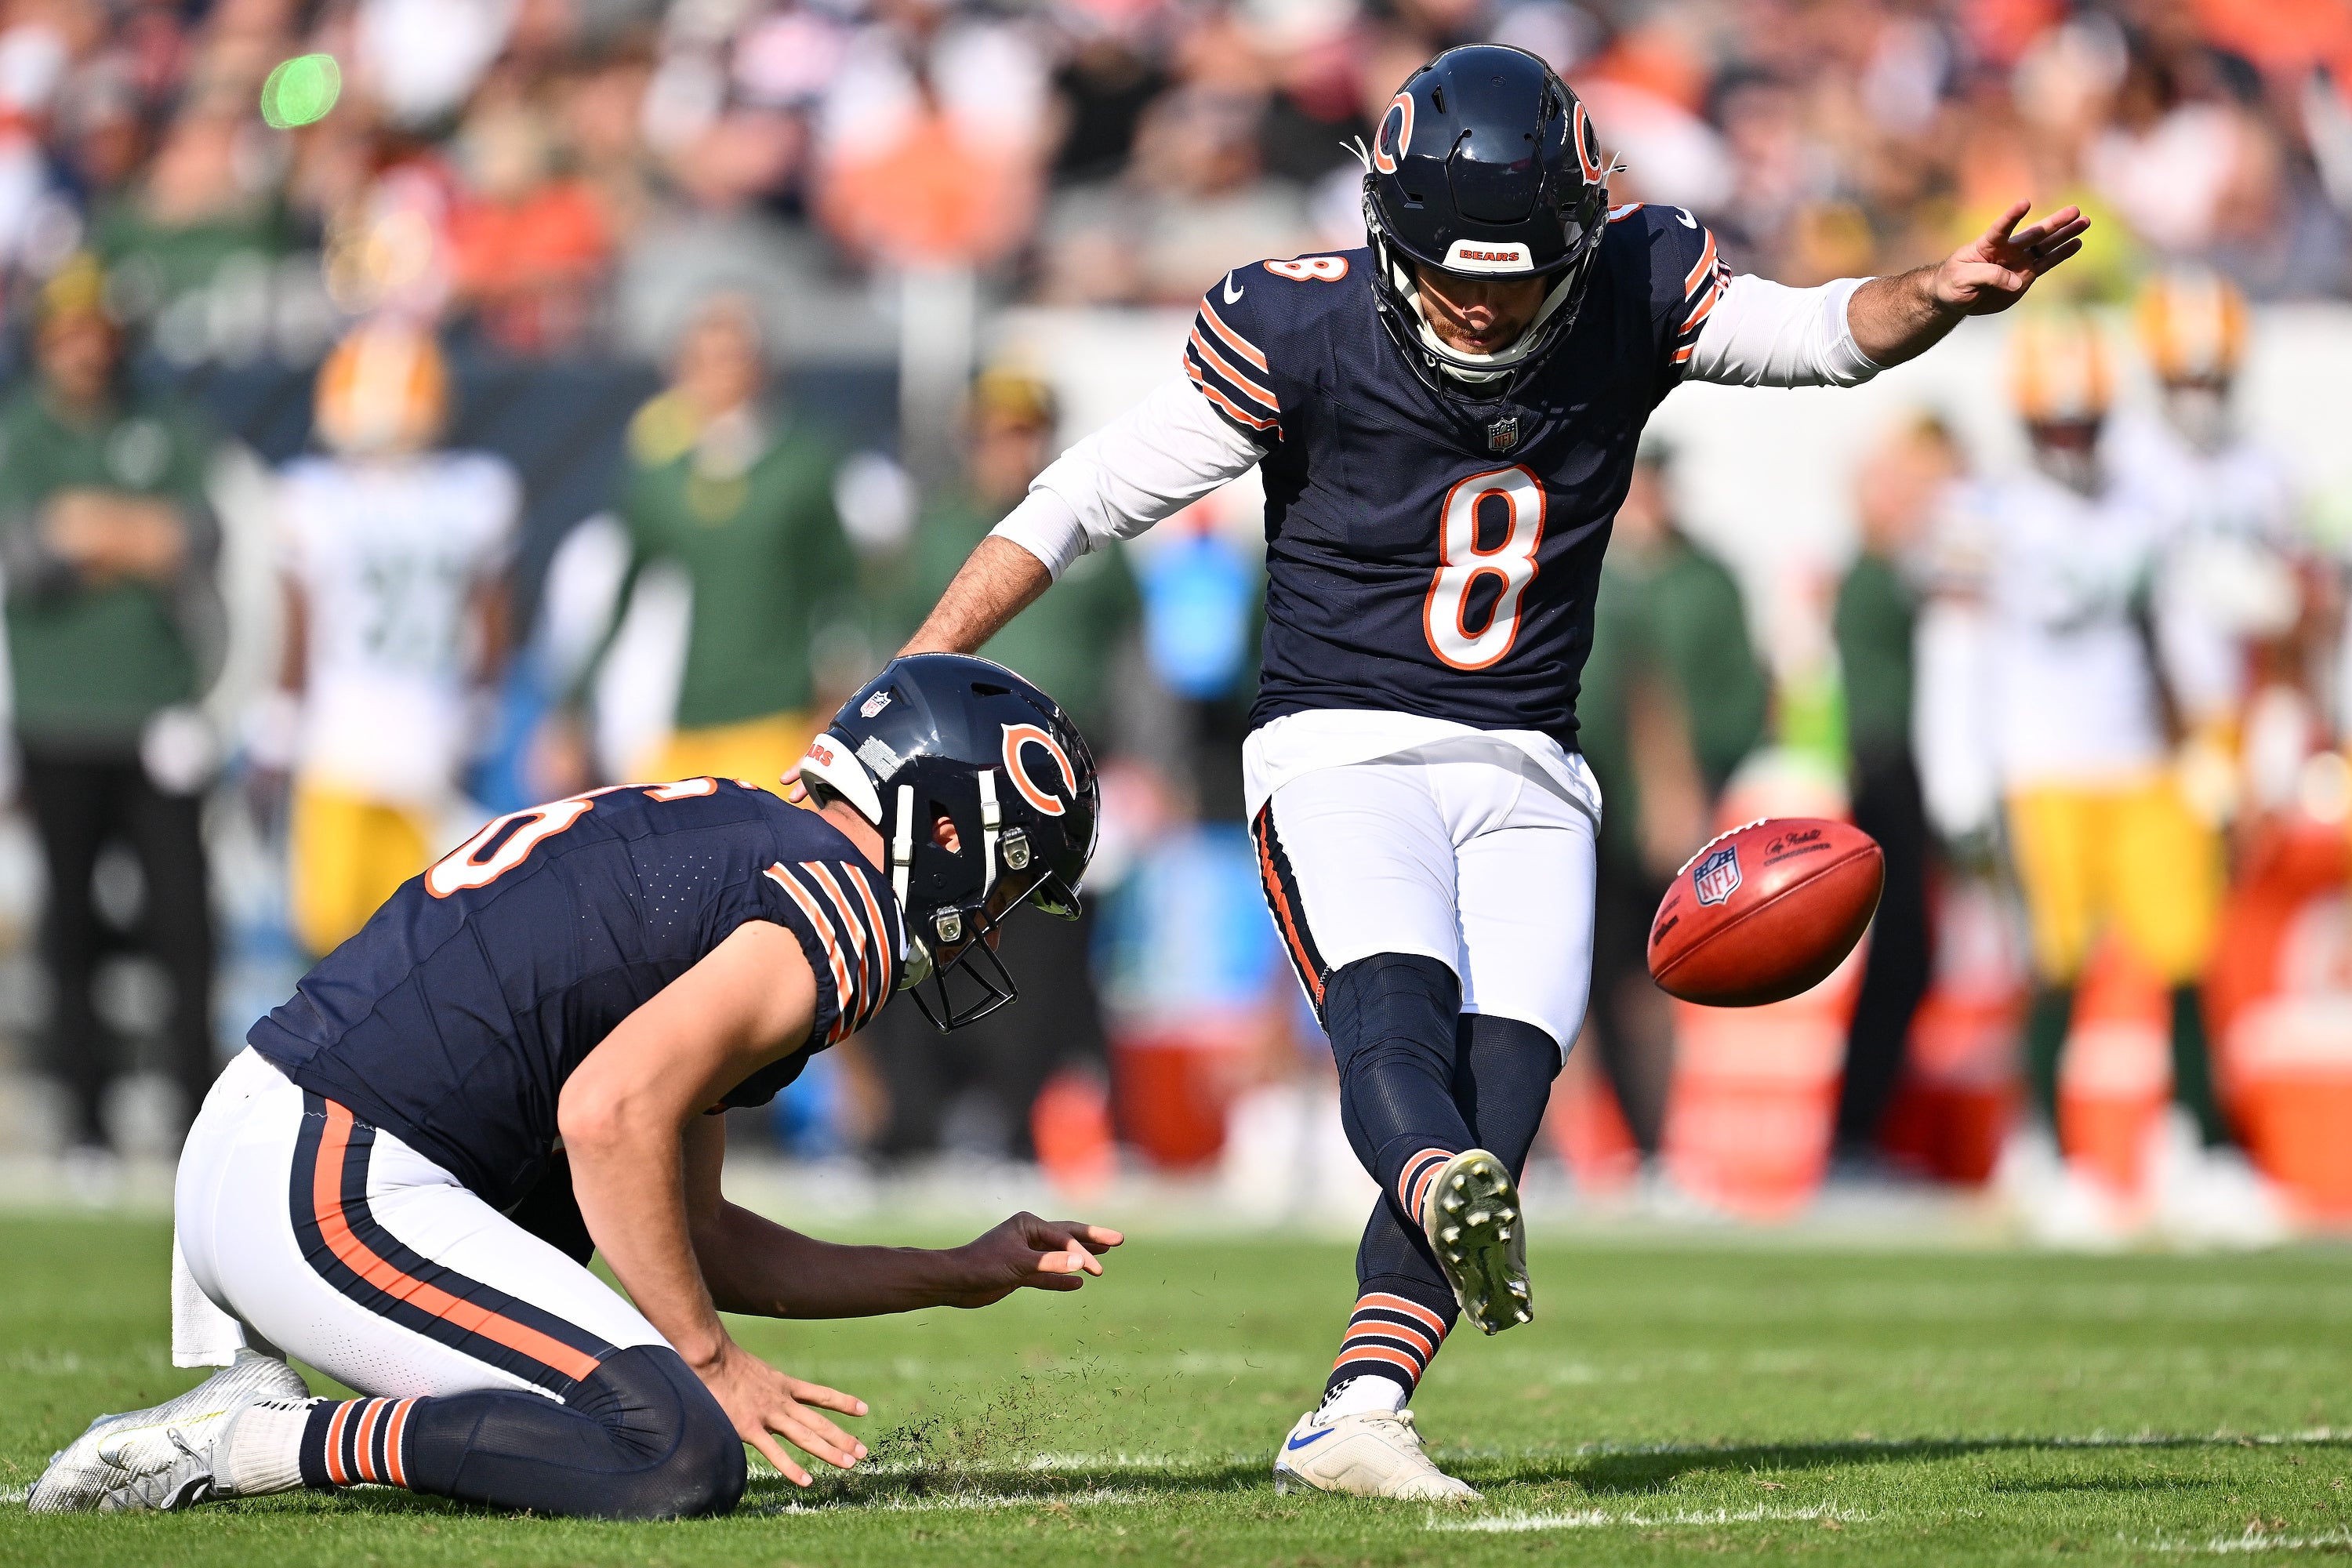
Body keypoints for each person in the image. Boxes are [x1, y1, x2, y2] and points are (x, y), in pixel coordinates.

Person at [896, 44, 2085, 1498]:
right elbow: (1077, 499)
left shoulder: (1642, 287)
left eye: (1517, 276)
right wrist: (917, 666)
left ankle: (1359, 1409)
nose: (1481, 302)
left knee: (1505, 1093)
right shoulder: (1301, 327)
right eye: (1454, 273)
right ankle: (1403, 1255)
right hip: (1343, 744)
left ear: (1578, 239)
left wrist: (1938, 294)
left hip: (1532, 758)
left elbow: (1826, 330)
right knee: (1399, 1031)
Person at [29, 655, 1123, 1519]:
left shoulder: (743, 835)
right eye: (1010, 878)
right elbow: (607, 1116)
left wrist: (950, 1270)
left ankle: (259, 1408)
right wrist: (710, 1363)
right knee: (675, 1450)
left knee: (617, 1331)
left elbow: (694, 1236)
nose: (991, 920)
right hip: (333, 1181)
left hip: (275, 1144)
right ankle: (250, 1441)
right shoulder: (836, 907)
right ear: (945, 830)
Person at [1922, 312, 2279, 1249]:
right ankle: (2048, 1153)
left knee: (2187, 952)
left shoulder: (2142, 504)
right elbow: (1956, 652)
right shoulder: (1984, 512)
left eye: (2086, 424)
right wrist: (1958, 778)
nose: (2073, 441)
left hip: (2141, 761)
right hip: (2040, 767)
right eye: (2058, 424)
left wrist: (2209, 746)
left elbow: (2179, 632)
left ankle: (2197, 1150)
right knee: (2057, 964)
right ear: (2029, 423)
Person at [864, 367, 1137, 1163]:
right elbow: (895, 647)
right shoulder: (939, 532)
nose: (1008, 448)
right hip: (951, 770)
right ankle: (913, 1120)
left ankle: (1018, 1124)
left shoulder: (1092, 536)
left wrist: (1148, 767)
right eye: (996, 430)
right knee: (914, 931)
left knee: (1045, 953)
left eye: (1023, 431)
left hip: (1061, 771)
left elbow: (1130, 658)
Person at [0, 255, 223, 1159]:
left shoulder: (161, 426)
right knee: (71, 919)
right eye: (69, 331)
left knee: (183, 918)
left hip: (158, 708)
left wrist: (90, 526)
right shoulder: (24, 434)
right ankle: (82, 1113)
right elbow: (25, 560)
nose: (85, 350)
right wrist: (125, 535)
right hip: (59, 711)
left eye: (97, 331)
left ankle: (196, 1111)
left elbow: (194, 539)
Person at [253, 321, 519, 958]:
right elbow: (491, 615)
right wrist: (483, 705)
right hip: (417, 729)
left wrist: (279, 721)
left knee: (344, 937)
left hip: (355, 735)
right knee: (409, 934)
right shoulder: (476, 491)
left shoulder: (310, 495)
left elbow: (300, 621)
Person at [543, 293, 858, 797]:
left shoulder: (802, 464)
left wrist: (836, 702)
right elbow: (623, 596)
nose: (716, 375)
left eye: (731, 358)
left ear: (761, 368)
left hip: (776, 717)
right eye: (702, 360)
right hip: (680, 724)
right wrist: (573, 712)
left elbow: (843, 593)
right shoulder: (660, 476)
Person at [1577, 442, 1766, 1174]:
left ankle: (1656, 1148)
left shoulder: (1705, 582)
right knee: (1565, 978)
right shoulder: (1577, 560)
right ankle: (1571, 1153)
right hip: (1576, 794)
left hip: (1658, 812)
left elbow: (1721, 701)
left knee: (1645, 978)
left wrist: (1695, 788)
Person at [1830, 417, 1960, 1168]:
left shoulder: (1886, 572)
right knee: (1900, 955)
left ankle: (1866, 1129)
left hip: (1897, 766)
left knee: (1909, 956)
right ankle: (1857, 1133)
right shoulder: (1876, 576)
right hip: (1889, 767)